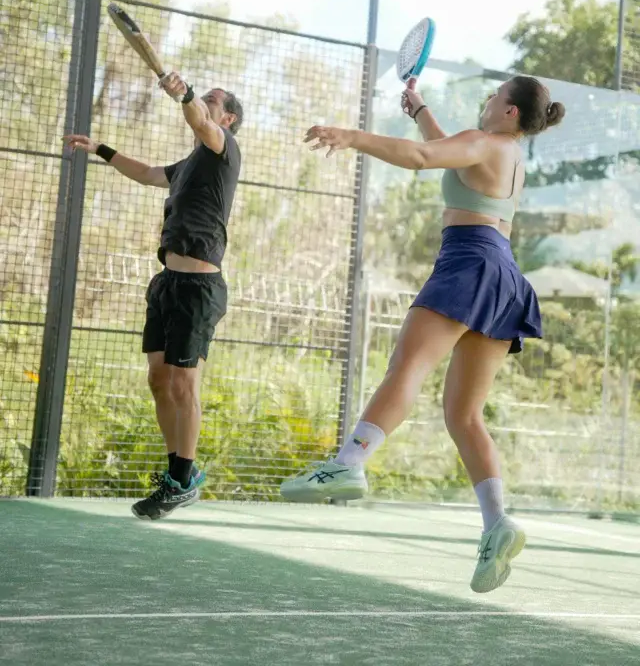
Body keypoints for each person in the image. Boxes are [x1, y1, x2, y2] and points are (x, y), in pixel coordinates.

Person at [280, 75, 565, 593]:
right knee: (463, 414)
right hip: (504, 274)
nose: (488, 99)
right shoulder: (507, 153)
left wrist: (352, 136)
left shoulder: (485, 142)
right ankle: (498, 522)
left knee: (407, 368)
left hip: (468, 260)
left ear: (511, 114)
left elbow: (418, 157)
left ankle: (348, 465)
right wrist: (420, 110)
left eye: (496, 95)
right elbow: (442, 148)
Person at [64, 75, 243, 520]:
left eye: (212, 101)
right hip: (167, 284)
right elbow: (145, 173)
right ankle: (175, 475)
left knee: (185, 383)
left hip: (200, 289)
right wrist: (101, 150)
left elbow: (200, 122)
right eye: (201, 97)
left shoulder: (223, 150)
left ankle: (185, 478)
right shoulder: (187, 165)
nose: (204, 102)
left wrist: (184, 95)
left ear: (228, 118)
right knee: (159, 380)